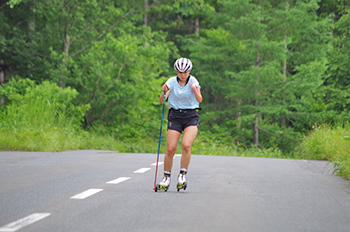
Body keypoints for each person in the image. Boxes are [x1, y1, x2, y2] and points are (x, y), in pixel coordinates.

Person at [157, 57, 202, 191]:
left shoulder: (193, 81)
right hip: (175, 115)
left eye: (185, 72)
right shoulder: (171, 81)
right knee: (171, 148)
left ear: (189, 71)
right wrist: (163, 91)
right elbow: (162, 100)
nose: (182, 75)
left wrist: (194, 89)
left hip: (190, 115)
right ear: (176, 71)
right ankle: (166, 178)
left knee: (186, 145)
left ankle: (182, 175)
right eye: (180, 72)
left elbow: (200, 99)